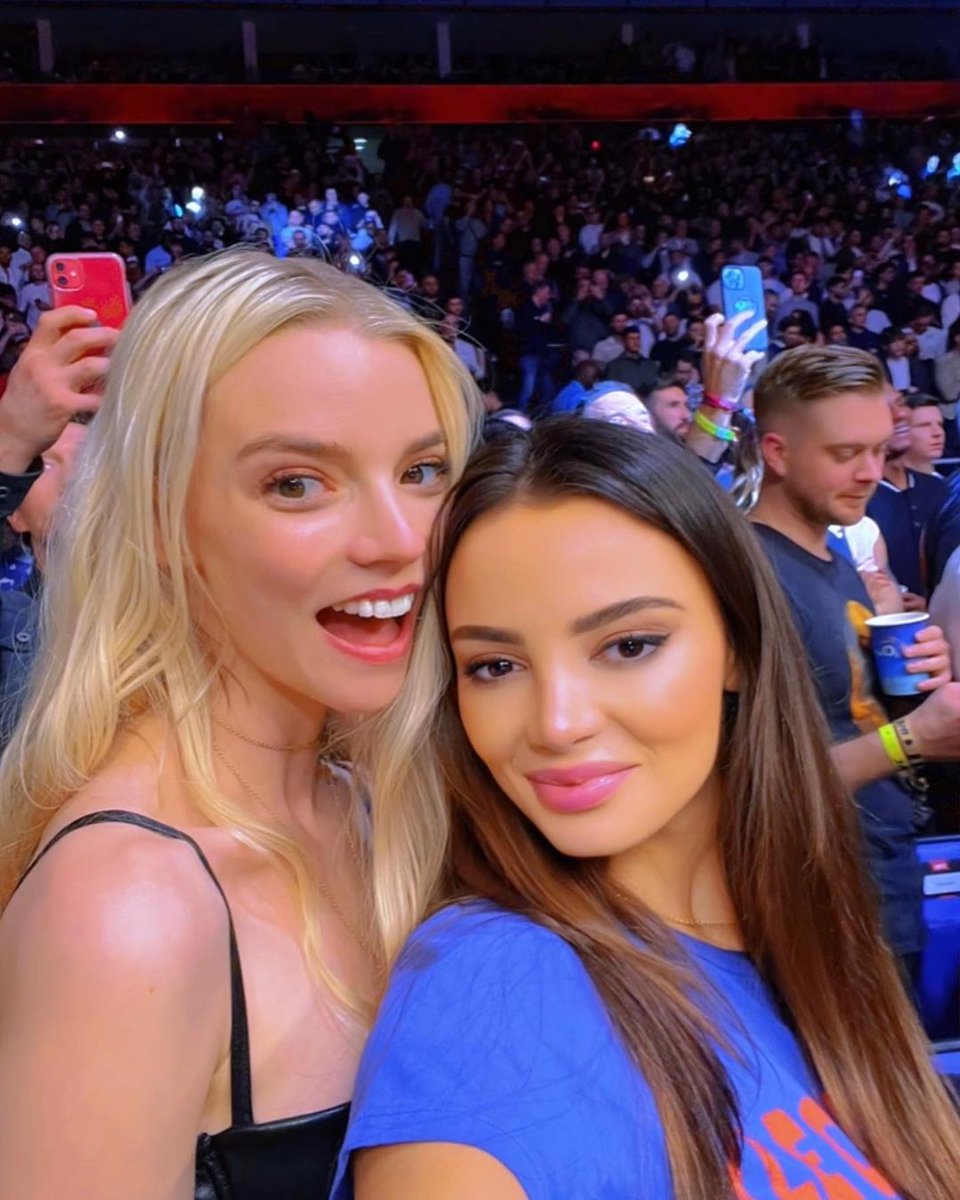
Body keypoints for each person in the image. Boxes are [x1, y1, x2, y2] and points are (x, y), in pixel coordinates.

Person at [334, 420, 960, 1200]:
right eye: (494, 665)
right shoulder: (491, 985)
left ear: (737, 643)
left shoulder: (813, 940)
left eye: (628, 645)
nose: (557, 723)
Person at [0, 248, 482, 1197]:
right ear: (163, 522)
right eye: (297, 483)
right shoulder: (128, 911)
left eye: (423, 471)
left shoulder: (370, 806)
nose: (400, 541)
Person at [749, 344, 960, 976]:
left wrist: (916, 672)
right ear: (776, 452)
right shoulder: (751, 577)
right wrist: (912, 738)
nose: (872, 471)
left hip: (879, 880)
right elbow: (755, 784)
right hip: (819, 905)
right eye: (846, 454)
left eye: (877, 449)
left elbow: (846, 710)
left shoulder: (834, 555)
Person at [866, 388, 946, 600]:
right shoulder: (856, 498)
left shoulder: (939, 489)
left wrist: (933, 604)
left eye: (900, 403)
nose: (901, 414)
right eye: (885, 408)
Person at [902, 393, 946, 476]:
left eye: (940, 425)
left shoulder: (944, 483)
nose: (938, 433)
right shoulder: (883, 487)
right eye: (925, 426)